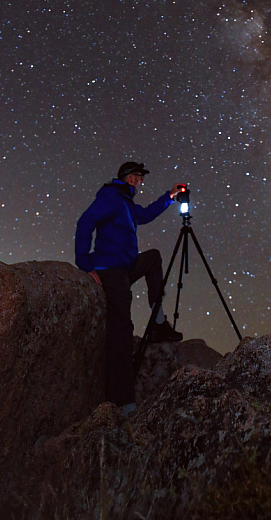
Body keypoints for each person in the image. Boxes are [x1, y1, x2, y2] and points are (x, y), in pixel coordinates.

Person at [75, 160, 186, 414]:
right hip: (110, 270)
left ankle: (158, 323)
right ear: (129, 178)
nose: (141, 182)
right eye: (139, 177)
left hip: (124, 266)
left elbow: (144, 215)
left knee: (153, 258)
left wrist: (169, 196)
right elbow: (85, 222)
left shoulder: (126, 203)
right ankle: (123, 401)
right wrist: (85, 263)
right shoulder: (111, 197)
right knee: (121, 329)